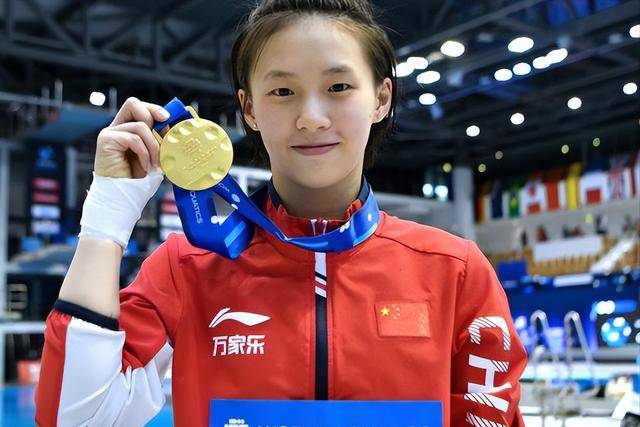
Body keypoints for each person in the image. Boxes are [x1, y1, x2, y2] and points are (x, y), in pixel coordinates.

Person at [35, 1, 526, 426]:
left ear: (381, 98)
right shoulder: (188, 268)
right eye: (283, 92)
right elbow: (74, 418)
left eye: (338, 86)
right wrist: (108, 216)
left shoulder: (454, 272)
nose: (311, 117)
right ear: (249, 109)